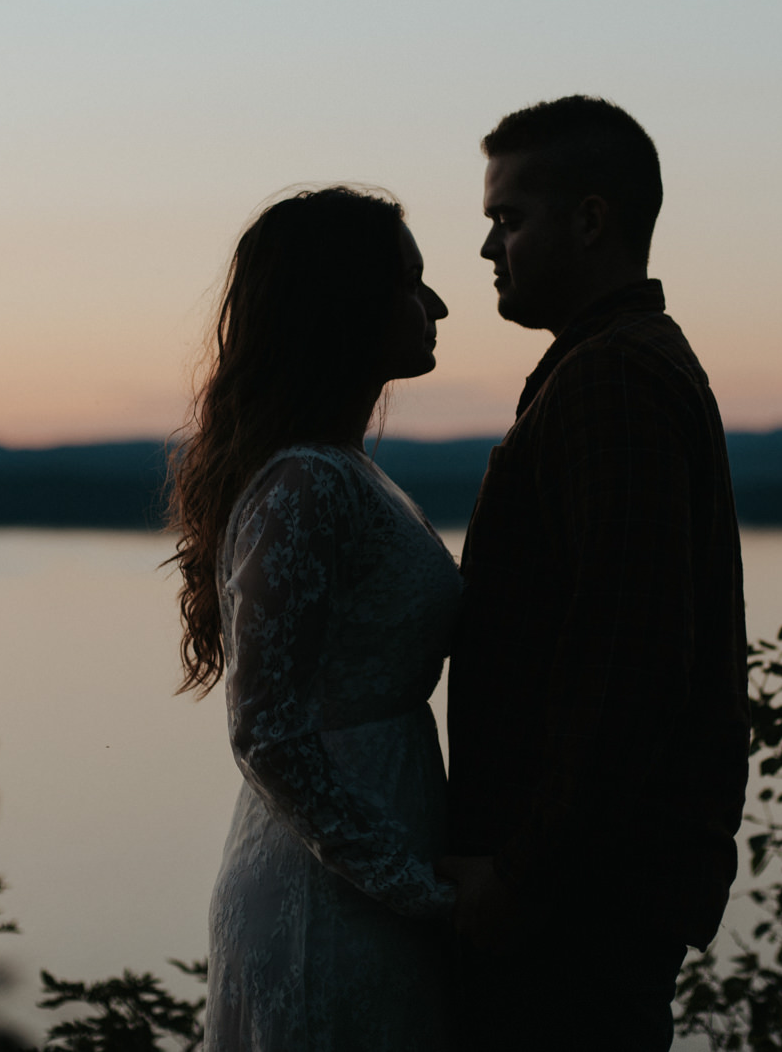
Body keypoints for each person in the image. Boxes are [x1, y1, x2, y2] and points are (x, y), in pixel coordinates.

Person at [439, 96, 748, 1051]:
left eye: (508, 219)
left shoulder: (612, 379)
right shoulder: (608, 366)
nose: (489, 248)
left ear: (590, 219)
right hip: (584, 903)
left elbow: (629, 662)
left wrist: (521, 877)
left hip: (575, 917)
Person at [169, 186, 459, 1050]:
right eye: (412, 283)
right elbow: (264, 730)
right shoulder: (305, 484)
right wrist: (412, 885)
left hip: (375, 863)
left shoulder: (348, 472)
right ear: (347, 305)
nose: (437, 304)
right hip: (326, 898)